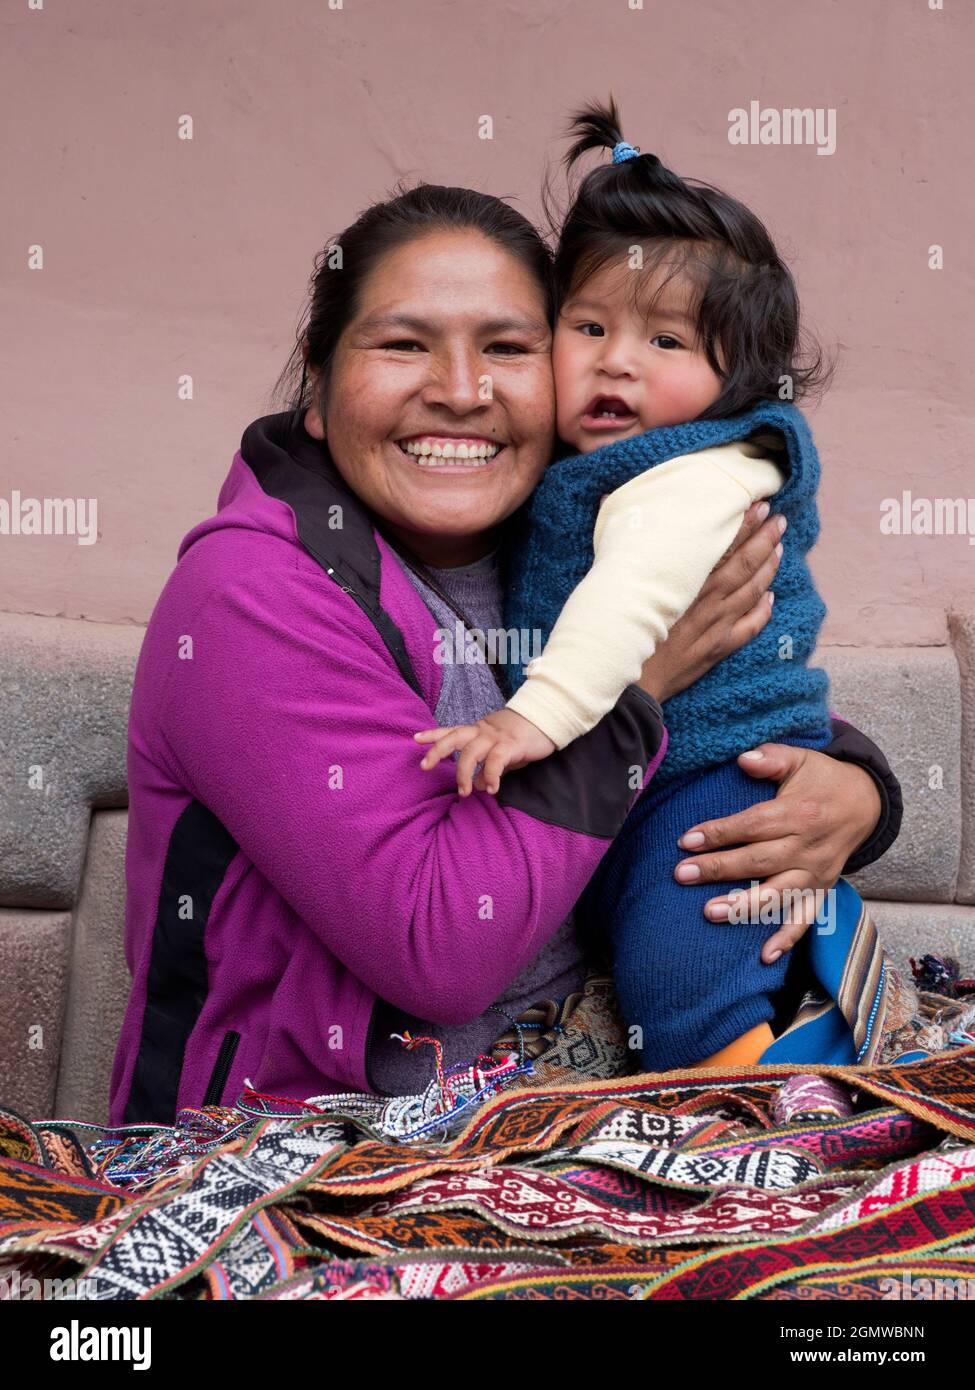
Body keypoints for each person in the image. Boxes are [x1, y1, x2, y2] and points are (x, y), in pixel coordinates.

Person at [108, 180, 900, 1126]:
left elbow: (729, 690)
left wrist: (854, 789)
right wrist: (634, 695)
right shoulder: (249, 595)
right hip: (319, 1138)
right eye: (402, 344)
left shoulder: (559, 527)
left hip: (590, 1106)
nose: (459, 389)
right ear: (315, 389)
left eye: (509, 348)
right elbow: (437, 948)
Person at [413, 100, 878, 1072]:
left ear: (735, 378)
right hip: (644, 774)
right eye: (588, 325)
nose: (617, 358)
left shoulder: (689, 474)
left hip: (717, 773)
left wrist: (529, 721)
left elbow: (628, 599)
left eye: (666, 342)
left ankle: (752, 1099)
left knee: (678, 967)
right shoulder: (572, 473)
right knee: (651, 948)